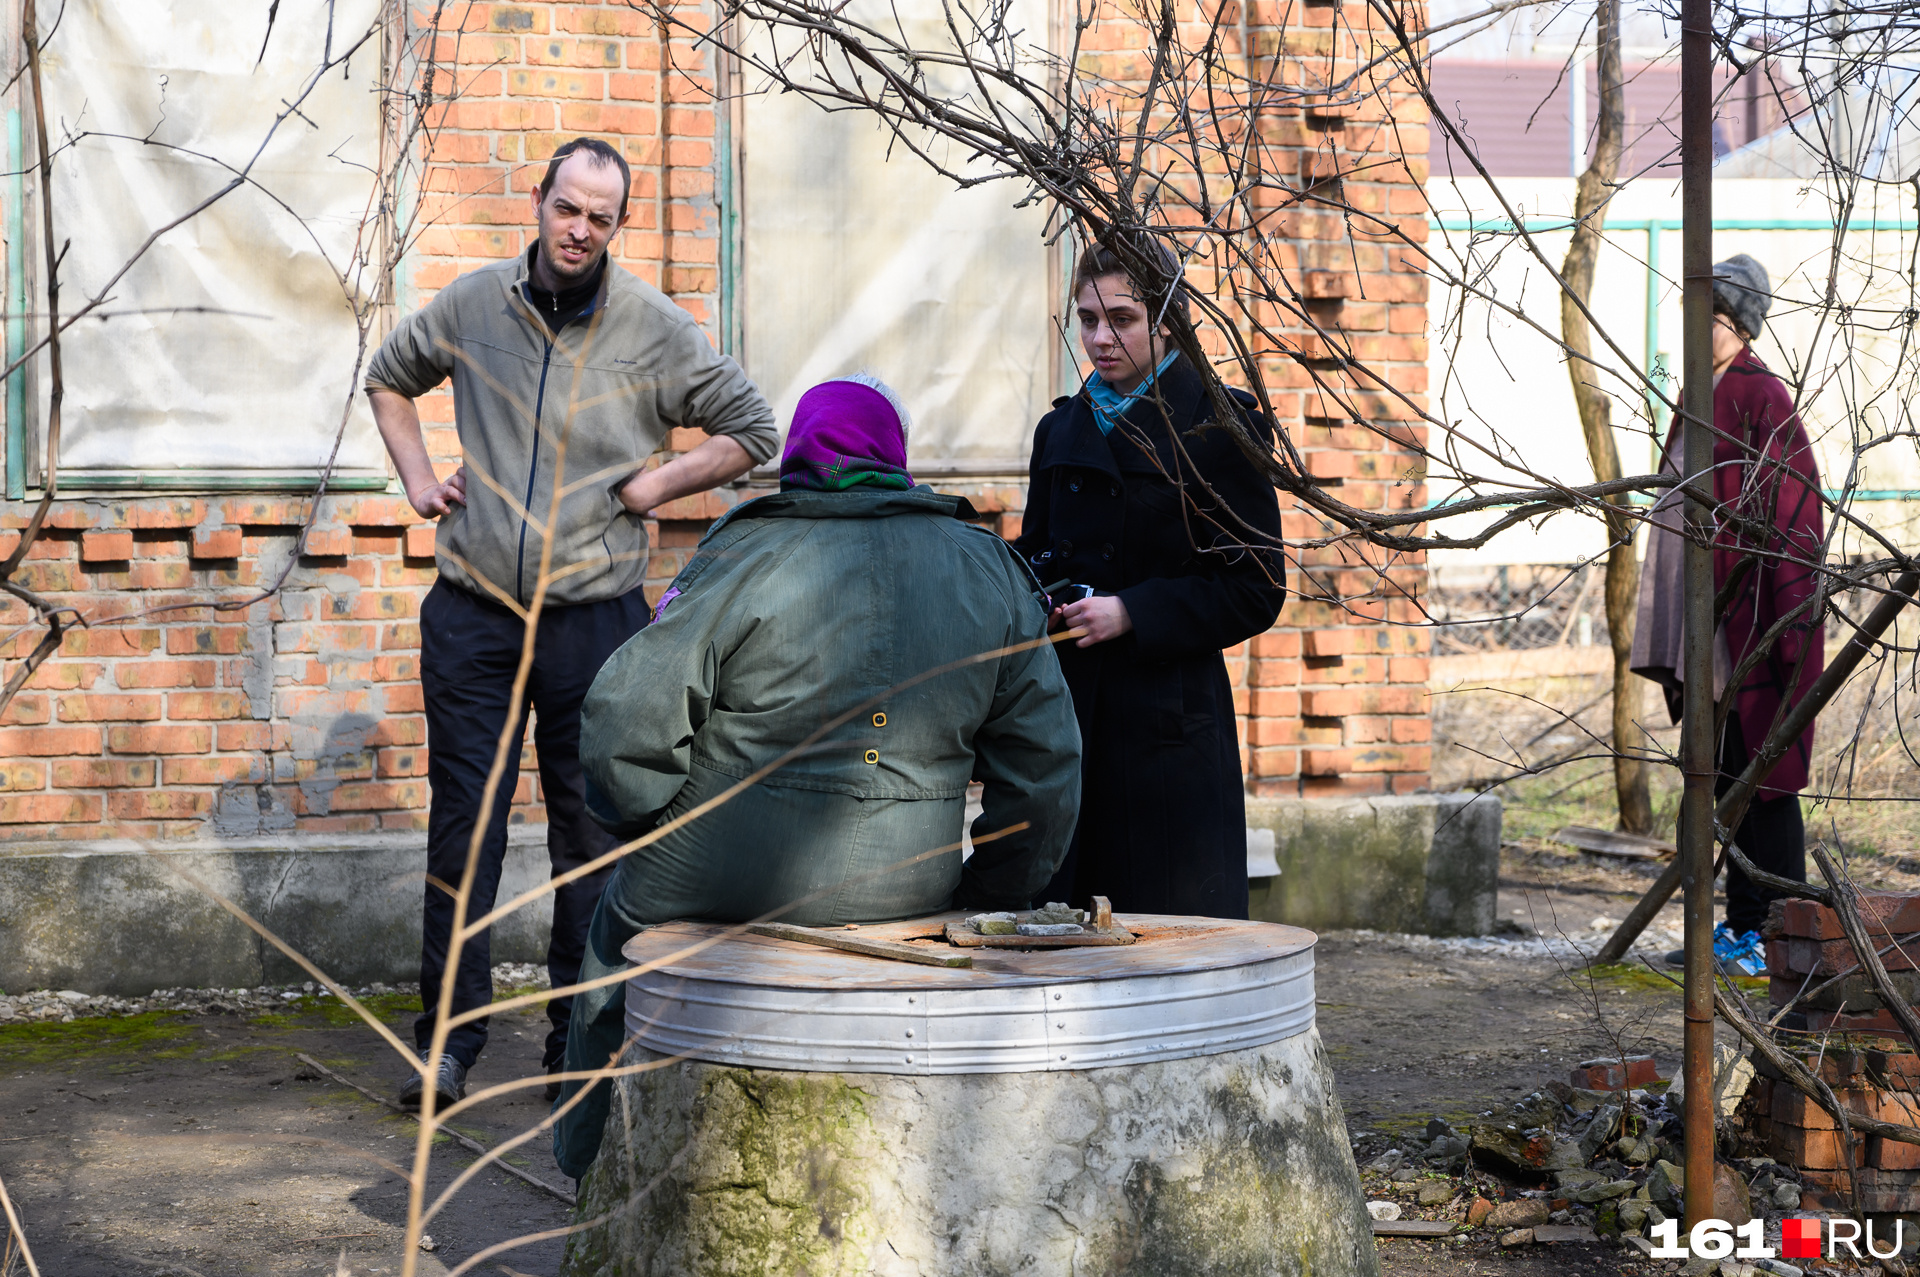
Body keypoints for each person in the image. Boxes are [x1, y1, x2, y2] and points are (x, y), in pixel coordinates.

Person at [550, 374, 1081, 1178]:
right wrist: (992, 888)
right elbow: (1046, 770)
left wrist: (644, 816)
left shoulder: (744, 549)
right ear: (896, 460)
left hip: (719, 872)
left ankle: (584, 1170)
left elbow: (626, 718)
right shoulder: (988, 566)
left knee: (615, 948)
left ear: (797, 454)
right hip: (912, 879)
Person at [364, 137, 778, 1109]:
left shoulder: (653, 328)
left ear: (616, 227)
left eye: (600, 216)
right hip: (474, 616)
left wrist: (660, 481)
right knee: (464, 832)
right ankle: (450, 1046)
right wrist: (422, 481)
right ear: (541, 203)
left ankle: (578, 1048)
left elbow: (752, 428)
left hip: (593, 627)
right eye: (568, 208)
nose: (580, 229)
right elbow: (390, 376)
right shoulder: (473, 304)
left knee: (589, 841)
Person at [1013, 242, 1286, 919]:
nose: (1100, 340)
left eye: (1122, 319)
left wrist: (1132, 612)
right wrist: (1036, 591)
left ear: (1168, 318)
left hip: (1167, 728)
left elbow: (1256, 586)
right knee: (1065, 935)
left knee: (1165, 936)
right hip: (1070, 716)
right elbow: (1039, 552)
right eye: (1087, 320)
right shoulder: (1061, 429)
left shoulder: (1219, 426)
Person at [1633, 254, 1825, 974]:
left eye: (1706, 313)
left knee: (1762, 773)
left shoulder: (1758, 394)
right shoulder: (1699, 390)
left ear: (1736, 324)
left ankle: (1776, 933)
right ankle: (1741, 927)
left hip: (1748, 614)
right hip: (1705, 617)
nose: (1691, 323)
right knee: (1717, 771)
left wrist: (1788, 618)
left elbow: (1795, 512)